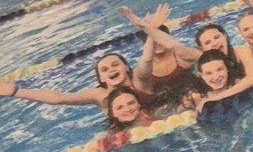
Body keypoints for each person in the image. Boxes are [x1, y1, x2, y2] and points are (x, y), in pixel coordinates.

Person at [0, 50, 150, 117]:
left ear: (127, 67)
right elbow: (60, 98)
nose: (111, 70)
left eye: (115, 64)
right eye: (104, 70)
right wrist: (16, 92)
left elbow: (147, 59)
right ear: (101, 79)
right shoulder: (99, 95)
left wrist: (150, 31)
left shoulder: (140, 80)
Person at [123, 4, 209, 105]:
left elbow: (181, 49)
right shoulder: (140, 72)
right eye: (154, 40)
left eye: (159, 39)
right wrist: (152, 29)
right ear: (145, 44)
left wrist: (152, 29)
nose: (158, 43)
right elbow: (146, 60)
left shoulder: (182, 58)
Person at [188, 51, 253, 107]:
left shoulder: (241, 86)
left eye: (220, 70)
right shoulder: (199, 98)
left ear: (227, 68)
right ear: (201, 75)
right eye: (209, 73)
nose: (216, 77)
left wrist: (213, 100)